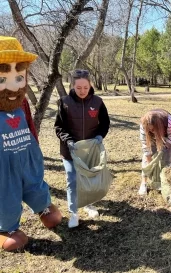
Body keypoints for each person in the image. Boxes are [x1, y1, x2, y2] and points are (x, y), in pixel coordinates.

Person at [0, 36, 62, 251]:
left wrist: (35, 148)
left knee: (35, 184)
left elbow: (29, 125)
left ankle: (43, 207)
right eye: (2, 79)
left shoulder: (22, 102)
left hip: (27, 156)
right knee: (6, 194)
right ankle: (6, 228)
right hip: (2, 167)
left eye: (19, 78)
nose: (12, 86)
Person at [55, 69, 110, 228]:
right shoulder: (64, 102)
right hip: (70, 150)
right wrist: (69, 141)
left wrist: (100, 136)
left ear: (90, 85)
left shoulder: (98, 102)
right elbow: (59, 128)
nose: (82, 91)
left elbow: (105, 123)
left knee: (89, 180)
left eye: (85, 87)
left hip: (90, 151)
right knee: (72, 180)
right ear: (72, 86)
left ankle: (88, 205)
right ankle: (73, 213)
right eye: (78, 88)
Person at [139, 109, 171, 195]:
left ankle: (165, 182)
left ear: (158, 125)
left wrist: (167, 145)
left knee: (166, 160)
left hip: (166, 136)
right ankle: (143, 183)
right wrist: (149, 160)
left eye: (153, 129)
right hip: (150, 139)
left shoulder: (168, 122)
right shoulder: (143, 124)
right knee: (147, 161)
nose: (152, 130)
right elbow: (144, 143)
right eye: (150, 129)